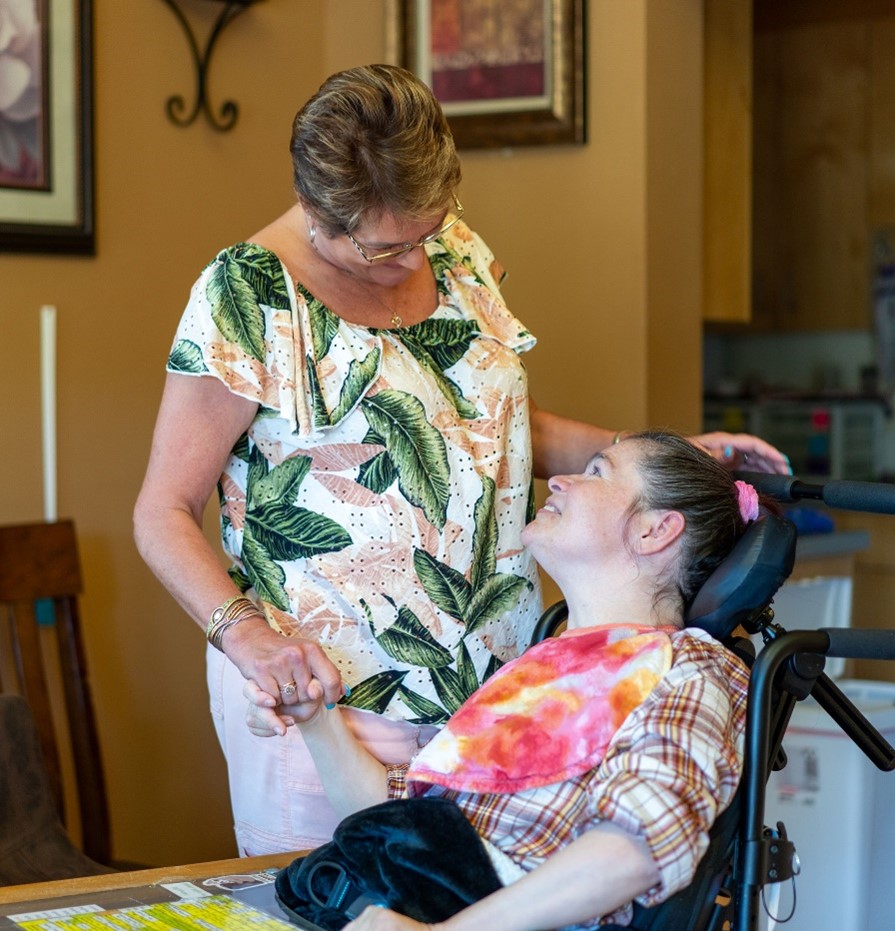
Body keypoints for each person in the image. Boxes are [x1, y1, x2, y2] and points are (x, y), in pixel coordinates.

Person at [132, 63, 789, 856]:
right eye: (385, 246)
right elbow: (163, 511)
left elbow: (499, 428)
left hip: (496, 687)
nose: (414, 261)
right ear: (318, 211)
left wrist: (670, 452)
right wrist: (251, 642)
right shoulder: (246, 293)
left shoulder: (449, 244)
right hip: (329, 700)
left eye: (427, 230)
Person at [247, 431, 760, 930]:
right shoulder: (542, 664)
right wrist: (316, 717)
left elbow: (640, 845)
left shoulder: (689, 666)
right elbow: (401, 814)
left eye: (596, 472)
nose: (558, 481)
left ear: (655, 530)